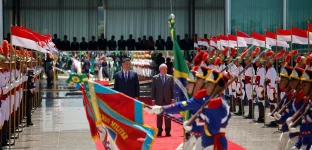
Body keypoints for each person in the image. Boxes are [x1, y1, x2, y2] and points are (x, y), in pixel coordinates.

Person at [151, 64, 174, 136]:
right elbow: (153, 90)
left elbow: (172, 89)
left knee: (167, 116)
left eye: (166, 69)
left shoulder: (170, 77)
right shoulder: (155, 78)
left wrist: (172, 99)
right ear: (160, 69)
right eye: (164, 69)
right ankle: (159, 131)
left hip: (167, 100)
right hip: (159, 100)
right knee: (159, 116)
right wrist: (153, 99)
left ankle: (168, 131)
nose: (165, 70)